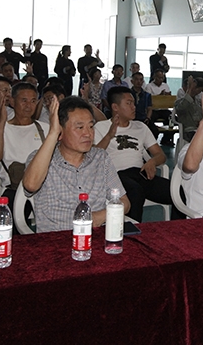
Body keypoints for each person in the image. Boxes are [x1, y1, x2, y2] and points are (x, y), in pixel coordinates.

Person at [22, 96, 130, 233]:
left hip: (95, 238)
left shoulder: (100, 158)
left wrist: (103, 215)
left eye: (91, 126)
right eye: (79, 127)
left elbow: (124, 203)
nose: (88, 134)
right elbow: (30, 185)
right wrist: (53, 133)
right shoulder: (42, 159)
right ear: (60, 131)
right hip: (56, 240)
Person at [95, 86, 179, 222]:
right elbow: (94, 156)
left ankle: (178, 231)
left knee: (178, 192)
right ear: (115, 107)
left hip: (140, 173)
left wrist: (151, 162)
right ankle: (132, 234)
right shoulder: (101, 127)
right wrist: (109, 135)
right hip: (116, 176)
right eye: (129, 103)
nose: (134, 107)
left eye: (133, 103)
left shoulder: (141, 127)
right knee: (135, 192)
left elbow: (160, 155)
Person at [0, 82, 48, 201]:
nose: (28, 106)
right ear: (12, 102)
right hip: (13, 188)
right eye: (24, 100)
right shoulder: (2, 129)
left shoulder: (44, 128)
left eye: (33, 101)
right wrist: (1, 122)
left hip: (43, 187)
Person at [144, 69, 174, 145]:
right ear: (154, 77)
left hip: (164, 109)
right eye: (158, 77)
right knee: (150, 120)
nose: (160, 79)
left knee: (172, 120)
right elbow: (149, 99)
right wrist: (160, 96)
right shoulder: (149, 86)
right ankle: (152, 140)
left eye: (162, 78)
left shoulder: (165, 85)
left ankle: (166, 139)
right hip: (154, 110)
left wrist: (167, 96)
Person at [174, 75, 203, 142]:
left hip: (200, 128)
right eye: (193, 88)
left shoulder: (198, 101)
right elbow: (181, 108)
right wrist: (189, 90)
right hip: (189, 130)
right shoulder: (180, 102)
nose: (196, 91)